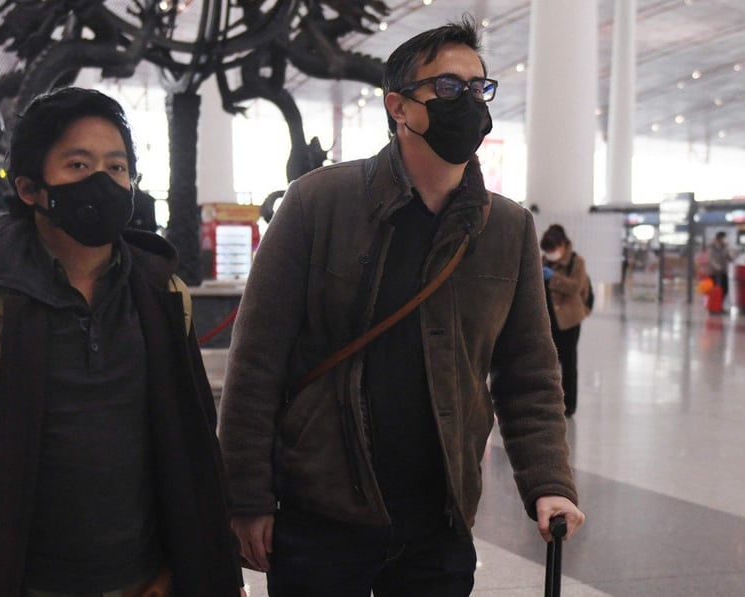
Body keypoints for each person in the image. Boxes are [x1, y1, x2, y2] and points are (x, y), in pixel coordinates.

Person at [218, 17, 584, 596]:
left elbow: (529, 375)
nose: (467, 100)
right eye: (446, 87)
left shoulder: (507, 227)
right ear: (399, 108)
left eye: (477, 87)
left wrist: (549, 483)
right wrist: (246, 497)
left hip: (438, 519)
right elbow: (257, 362)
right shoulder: (319, 203)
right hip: (321, 514)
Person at [0, 87, 243, 596]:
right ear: (30, 188)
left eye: (117, 167)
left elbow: (195, 440)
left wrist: (215, 565)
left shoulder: (158, 291)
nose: (104, 181)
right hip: (18, 580)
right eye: (77, 165)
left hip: (145, 581)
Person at [540, 224, 591, 417]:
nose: (551, 254)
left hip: (569, 320)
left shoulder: (577, 262)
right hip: (549, 319)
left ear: (563, 245)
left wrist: (554, 278)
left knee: (568, 363)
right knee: (549, 362)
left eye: (553, 250)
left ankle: (569, 406)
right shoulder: (545, 260)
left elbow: (576, 287)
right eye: (548, 251)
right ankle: (550, 402)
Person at [708, 231, 731, 302]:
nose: (724, 240)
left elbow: (728, 256)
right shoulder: (712, 246)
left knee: (725, 288)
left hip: (723, 271)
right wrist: (717, 267)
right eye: (723, 238)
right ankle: (715, 305)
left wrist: (731, 256)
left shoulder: (725, 246)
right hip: (714, 272)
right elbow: (711, 259)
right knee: (715, 289)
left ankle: (720, 303)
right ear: (718, 238)